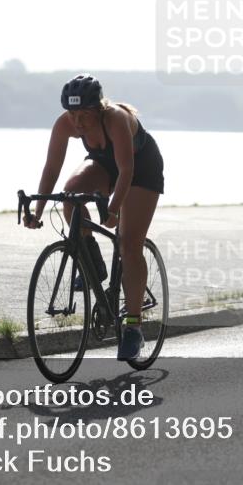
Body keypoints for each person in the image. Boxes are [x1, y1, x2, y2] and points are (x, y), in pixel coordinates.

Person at [23, 74, 164, 361]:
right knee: (70, 195)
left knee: (128, 244)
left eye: (84, 115)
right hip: (103, 165)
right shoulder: (65, 124)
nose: (77, 122)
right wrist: (37, 211)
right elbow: (52, 167)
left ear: (98, 109)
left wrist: (113, 210)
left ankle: (134, 327)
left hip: (141, 169)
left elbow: (126, 170)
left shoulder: (115, 119)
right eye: (72, 114)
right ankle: (94, 264)